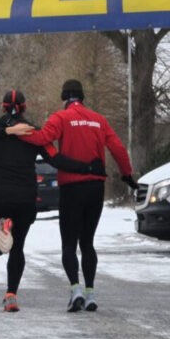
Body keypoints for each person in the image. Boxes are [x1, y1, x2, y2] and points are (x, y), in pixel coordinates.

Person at [0, 90, 106, 311]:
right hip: (27, 198)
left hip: (1, 196)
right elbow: (56, 159)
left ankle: (3, 230)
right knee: (17, 248)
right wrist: (86, 167)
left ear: (2, 107)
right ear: (25, 107)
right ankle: (11, 295)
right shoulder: (33, 132)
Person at [8, 79, 135, 312]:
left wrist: (16, 131)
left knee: (69, 244)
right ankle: (91, 293)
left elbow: (41, 138)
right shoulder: (99, 120)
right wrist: (127, 174)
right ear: (83, 97)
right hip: (96, 188)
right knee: (88, 243)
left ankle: (75, 289)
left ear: (64, 97)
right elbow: (118, 148)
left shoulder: (61, 118)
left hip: (71, 188)